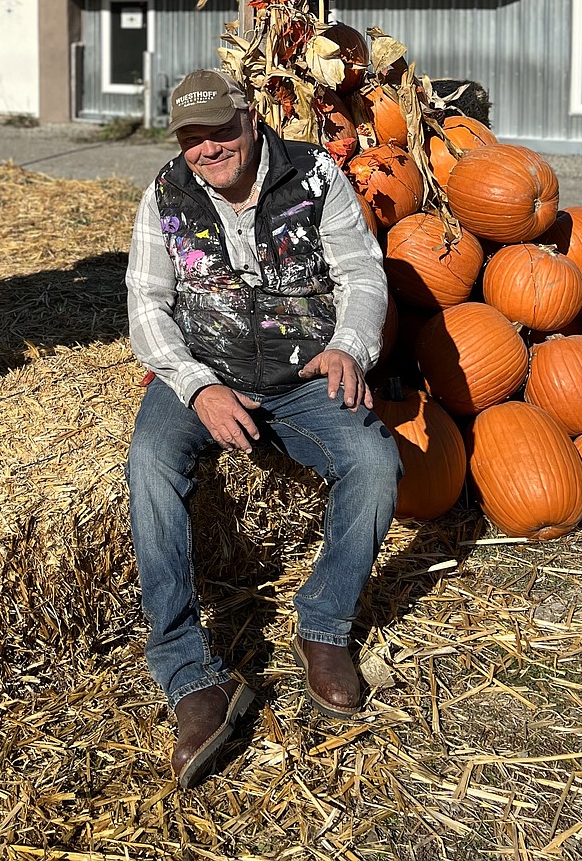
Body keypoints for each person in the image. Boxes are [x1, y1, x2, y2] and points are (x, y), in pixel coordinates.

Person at [125, 67, 400, 789]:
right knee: (149, 467)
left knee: (374, 464)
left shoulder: (314, 176)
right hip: (202, 373)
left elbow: (362, 274)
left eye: (219, 130)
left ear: (250, 119)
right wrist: (198, 386)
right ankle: (192, 677)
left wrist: (350, 346)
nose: (208, 149)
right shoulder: (164, 195)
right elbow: (148, 309)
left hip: (304, 372)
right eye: (192, 137)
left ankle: (324, 626)